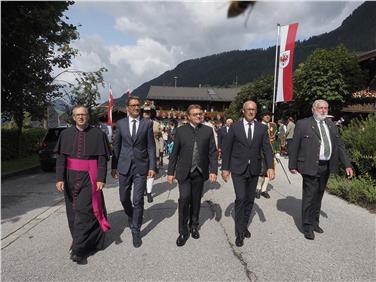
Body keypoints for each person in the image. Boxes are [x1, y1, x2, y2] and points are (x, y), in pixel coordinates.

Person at [288, 99, 353, 240]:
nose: (323, 110)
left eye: (326, 108)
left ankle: (315, 222)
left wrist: (347, 164)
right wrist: (292, 164)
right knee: (309, 196)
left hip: (326, 166)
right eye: (320, 108)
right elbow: (294, 145)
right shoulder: (303, 124)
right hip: (310, 165)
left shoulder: (331, 125)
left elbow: (340, 145)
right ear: (314, 109)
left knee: (319, 195)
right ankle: (307, 226)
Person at [55, 105, 111, 264]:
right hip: (70, 177)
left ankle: (78, 250)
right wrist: (59, 178)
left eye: (83, 114)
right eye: (77, 115)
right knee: (72, 211)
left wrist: (101, 178)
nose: (80, 117)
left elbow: (102, 158)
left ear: (88, 116)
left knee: (84, 211)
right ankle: (84, 240)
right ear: (73, 117)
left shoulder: (98, 134)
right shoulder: (65, 134)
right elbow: (61, 158)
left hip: (89, 177)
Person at [221, 100, 275, 247]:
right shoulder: (235, 127)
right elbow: (227, 148)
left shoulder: (261, 128)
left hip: (254, 169)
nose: (251, 112)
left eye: (254, 109)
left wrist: (270, 167)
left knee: (250, 200)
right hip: (238, 168)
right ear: (243, 111)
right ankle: (239, 233)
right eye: (248, 109)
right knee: (240, 198)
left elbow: (267, 148)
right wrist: (225, 169)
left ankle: (244, 225)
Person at [167, 104, 218, 247]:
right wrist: (171, 172)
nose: (198, 116)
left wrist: (214, 170)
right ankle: (183, 231)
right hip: (184, 172)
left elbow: (212, 152)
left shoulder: (208, 131)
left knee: (196, 200)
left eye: (200, 113)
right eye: (195, 114)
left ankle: (194, 225)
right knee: (184, 199)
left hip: (200, 172)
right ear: (188, 116)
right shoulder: (180, 131)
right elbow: (174, 153)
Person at [111, 96, 156, 248]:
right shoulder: (121, 124)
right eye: (134, 105)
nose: (137, 108)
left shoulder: (147, 124)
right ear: (127, 108)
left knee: (138, 200)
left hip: (141, 167)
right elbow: (116, 146)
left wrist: (152, 167)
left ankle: (136, 230)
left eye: (138, 105)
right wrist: (113, 167)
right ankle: (131, 215)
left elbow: (151, 146)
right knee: (124, 198)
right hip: (123, 166)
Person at [141, 101, 163, 203]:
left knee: (151, 172)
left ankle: (149, 192)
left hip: (153, 151)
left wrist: (160, 151)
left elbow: (160, 139)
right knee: (142, 172)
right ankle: (144, 188)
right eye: (145, 112)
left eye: (149, 112)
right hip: (140, 151)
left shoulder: (156, 124)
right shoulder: (138, 124)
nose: (146, 113)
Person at [256, 111, 276, 199]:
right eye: (265, 115)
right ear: (262, 117)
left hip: (271, 151)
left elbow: (275, 139)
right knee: (262, 170)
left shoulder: (273, 126)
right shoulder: (258, 126)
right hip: (261, 152)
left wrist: (277, 151)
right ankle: (258, 188)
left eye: (269, 115)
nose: (268, 117)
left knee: (270, 170)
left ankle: (264, 190)